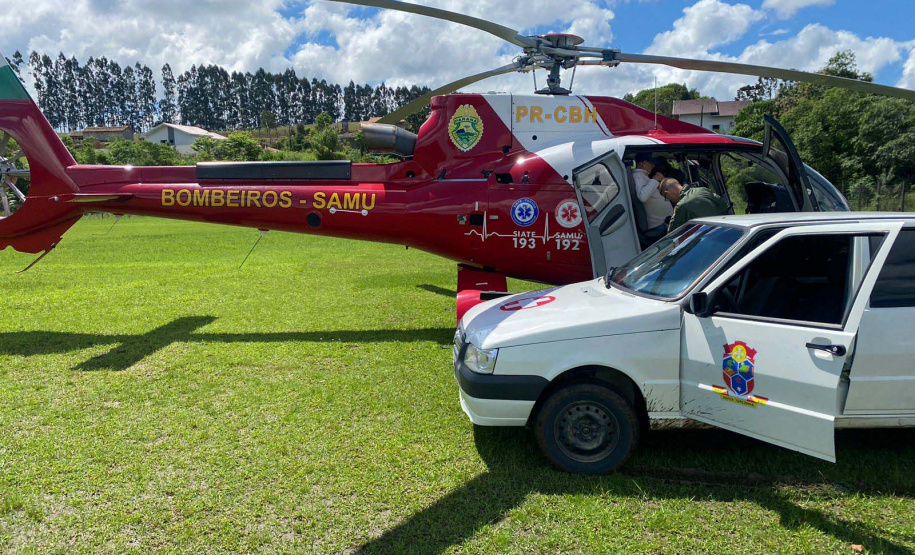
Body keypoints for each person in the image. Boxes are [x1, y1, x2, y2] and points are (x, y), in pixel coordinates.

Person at [660, 178, 730, 233]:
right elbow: (723, 205)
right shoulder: (703, 190)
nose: (670, 201)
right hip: (726, 228)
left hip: (709, 237)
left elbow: (672, 232)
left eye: (667, 198)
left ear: (667, 193)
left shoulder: (681, 206)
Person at [631, 153, 673, 237]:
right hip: (660, 225)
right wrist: (655, 179)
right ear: (643, 163)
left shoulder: (643, 176)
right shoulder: (638, 176)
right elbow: (643, 196)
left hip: (664, 223)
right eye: (651, 163)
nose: (653, 166)